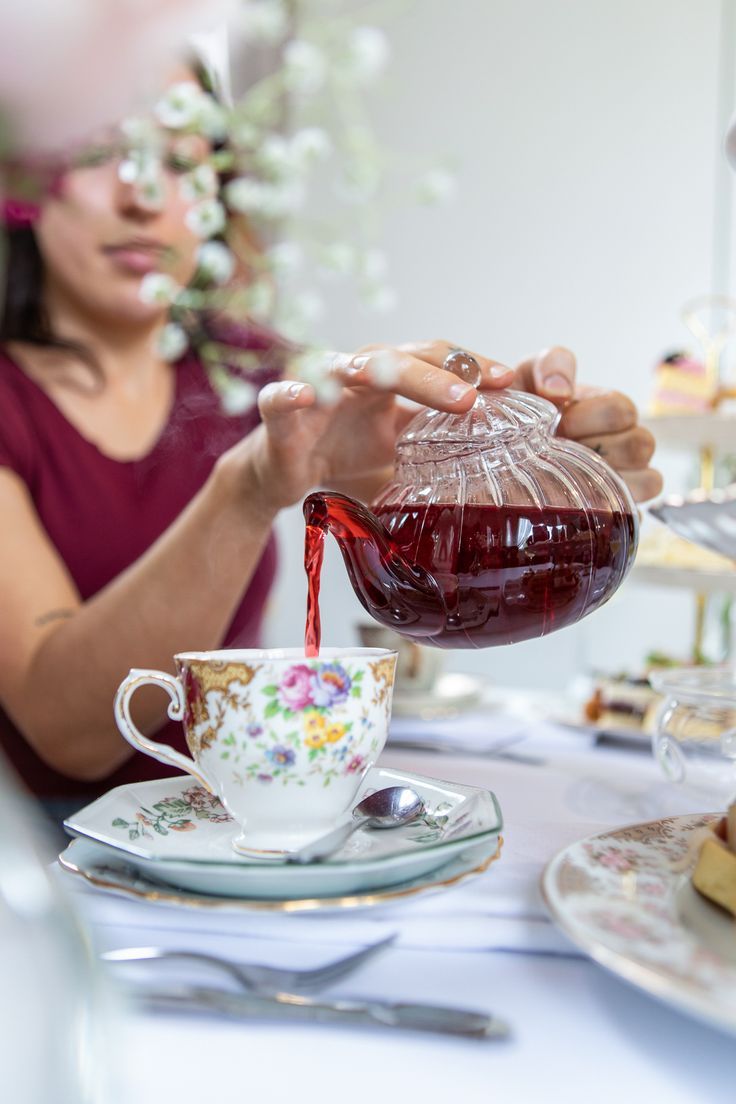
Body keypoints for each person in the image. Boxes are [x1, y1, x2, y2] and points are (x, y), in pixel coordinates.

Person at [0, 69, 662, 820]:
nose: (145, 196)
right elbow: (70, 737)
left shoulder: (248, 370)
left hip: (233, 826)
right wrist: (247, 490)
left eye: (181, 163)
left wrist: (550, 459)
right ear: (19, 176)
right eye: (100, 151)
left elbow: (441, 562)